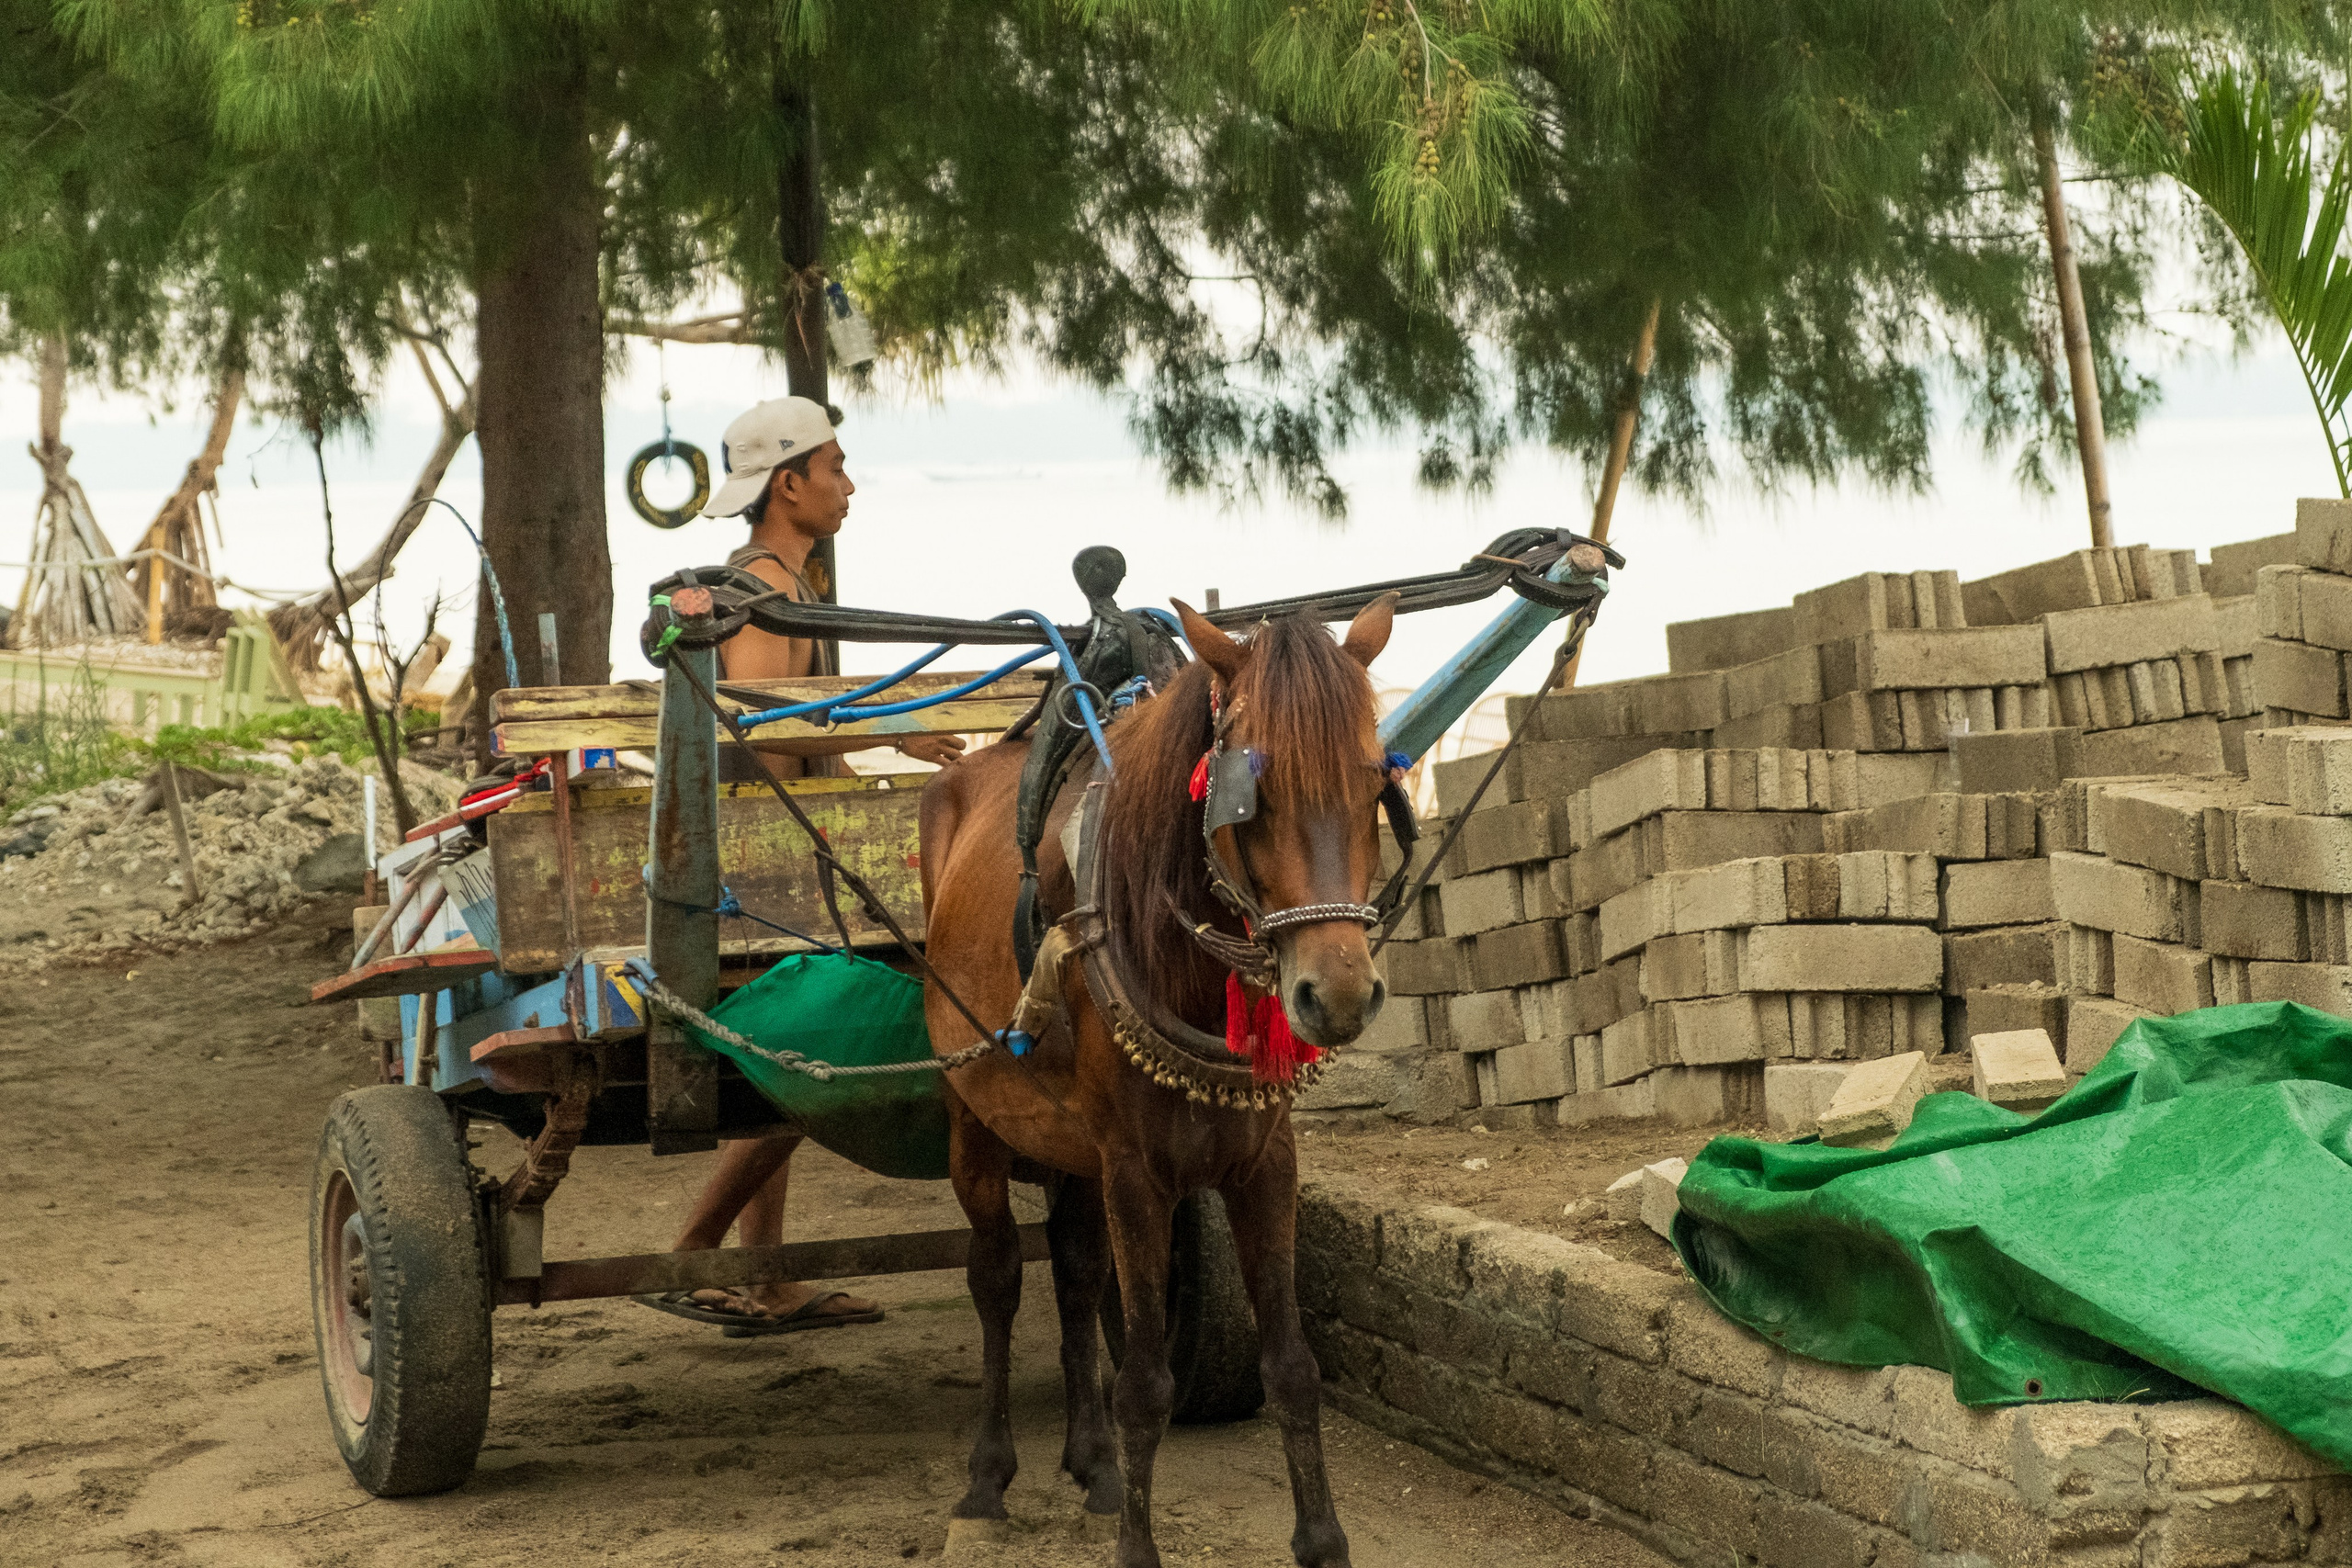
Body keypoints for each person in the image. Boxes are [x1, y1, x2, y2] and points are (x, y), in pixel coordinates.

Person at [649, 398, 964, 1336]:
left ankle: (764, 1272)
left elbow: (795, 720)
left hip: (786, 858)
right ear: (788, 483)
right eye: (834, 466)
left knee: (794, 1054)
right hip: (754, 874)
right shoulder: (751, 593)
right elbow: (745, 719)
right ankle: (696, 1244)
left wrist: (875, 734)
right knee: (823, 1041)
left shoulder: (788, 584)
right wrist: (892, 723)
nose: (848, 482)